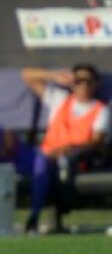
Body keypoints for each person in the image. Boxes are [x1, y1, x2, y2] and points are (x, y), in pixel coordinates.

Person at [19, 64, 108, 232]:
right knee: (40, 161)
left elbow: (97, 141)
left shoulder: (101, 110)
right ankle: (34, 216)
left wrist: (67, 149)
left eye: (89, 81)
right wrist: (53, 76)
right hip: (46, 155)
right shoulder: (59, 99)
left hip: (76, 158)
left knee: (47, 164)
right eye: (79, 80)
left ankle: (35, 217)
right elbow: (27, 74)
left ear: (96, 84)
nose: (84, 85)